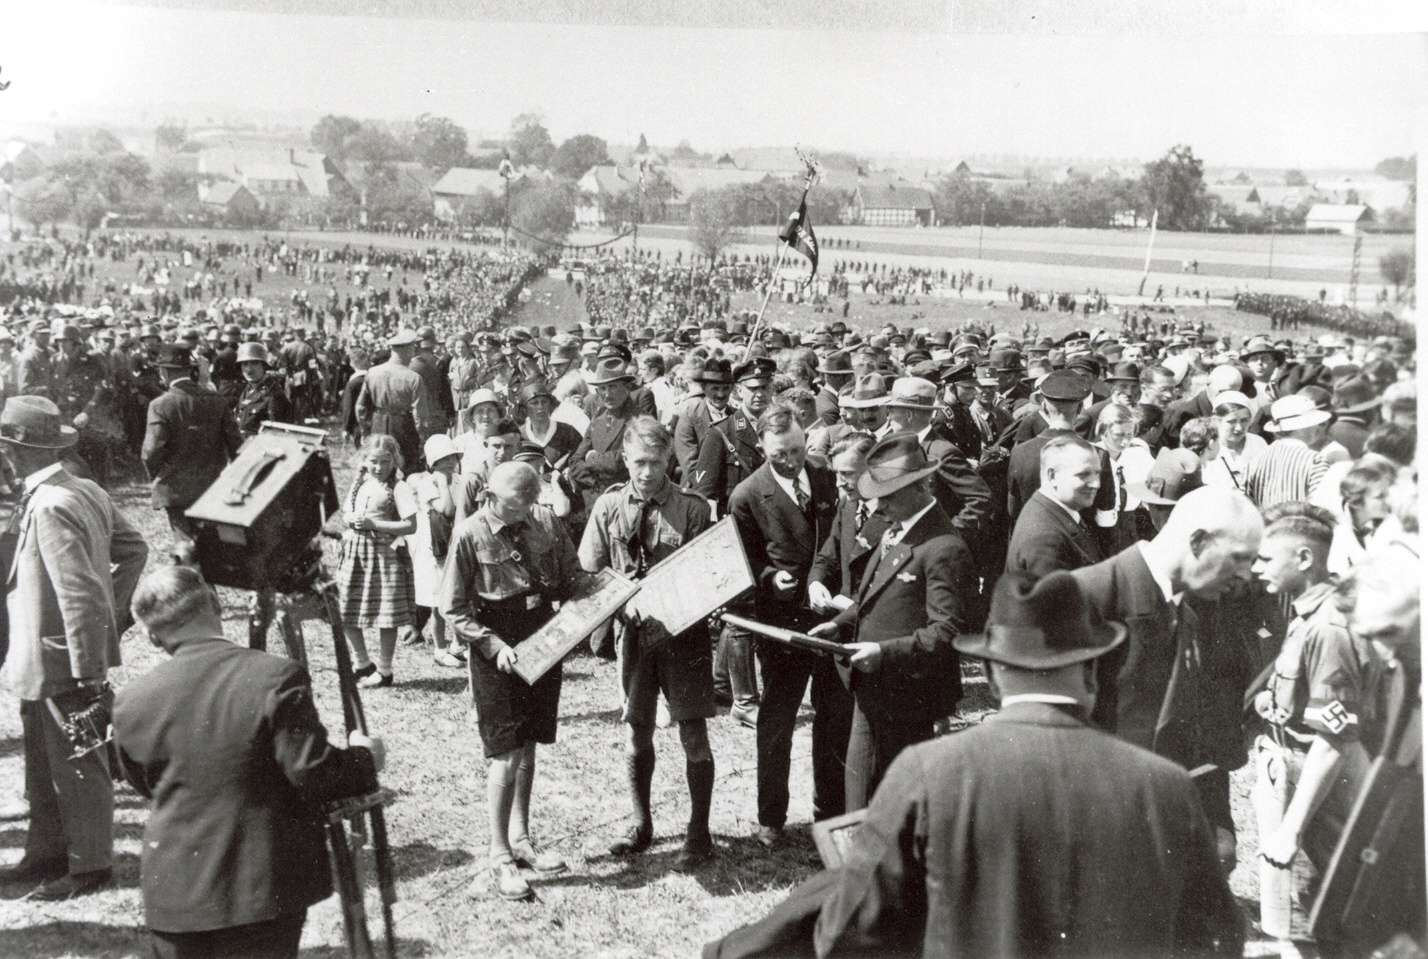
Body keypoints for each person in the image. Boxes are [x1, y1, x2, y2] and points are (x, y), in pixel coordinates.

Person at [704, 571, 1243, 959]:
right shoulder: (1166, 786)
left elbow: (847, 933)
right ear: (1094, 671)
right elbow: (1216, 939)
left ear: (989, 675)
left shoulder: (929, 771)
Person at [113, 566, 384, 959]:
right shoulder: (275, 676)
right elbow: (313, 772)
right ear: (216, 604)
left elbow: (145, 783)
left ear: (153, 636)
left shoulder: (130, 700)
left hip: (174, 897)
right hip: (258, 892)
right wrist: (365, 758)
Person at [0, 396, 148, 900]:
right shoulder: (82, 488)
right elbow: (134, 549)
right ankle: (45, 854)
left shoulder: (50, 504)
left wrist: (88, 663)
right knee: (45, 764)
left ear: (17, 450)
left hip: (60, 658)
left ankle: (89, 867)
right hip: (43, 656)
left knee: (77, 762)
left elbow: (79, 592)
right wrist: (114, 616)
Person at [1073, 485, 1264, 863]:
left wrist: (1218, 822)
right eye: (1239, 558)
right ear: (1198, 542)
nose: (1246, 574)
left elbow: (1207, 725)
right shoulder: (1088, 596)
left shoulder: (1207, 605)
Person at [441, 461, 587, 901]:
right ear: (489, 496)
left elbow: (572, 573)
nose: (525, 513)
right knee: (505, 752)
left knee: (528, 744)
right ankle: (499, 854)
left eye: (529, 504)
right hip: (497, 644)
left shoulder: (543, 520)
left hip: (541, 635)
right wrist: (492, 645)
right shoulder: (469, 534)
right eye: (515, 506)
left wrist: (602, 594)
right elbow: (453, 608)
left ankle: (521, 840)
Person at [808, 431, 976, 809]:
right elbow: (876, 597)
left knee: (894, 808)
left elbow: (946, 631)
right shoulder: (897, 530)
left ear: (918, 488)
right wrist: (841, 623)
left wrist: (883, 653)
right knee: (860, 798)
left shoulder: (943, 547)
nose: (879, 506)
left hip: (907, 701)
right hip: (872, 692)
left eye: (887, 496)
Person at [578, 417, 717, 872]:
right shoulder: (609, 507)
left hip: (683, 638)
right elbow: (590, 571)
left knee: (693, 733)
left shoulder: (693, 509)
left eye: (656, 463)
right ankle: (641, 824)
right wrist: (621, 605)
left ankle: (698, 834)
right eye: (638, 462)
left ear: (668, 460)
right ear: (624, 459)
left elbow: (710, 575)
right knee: (636, 730)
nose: (647, 472)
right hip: (635, 639)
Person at [1248, 502, 1372, 954]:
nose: (1255, 568)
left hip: (1316, 785)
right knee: (1289, 918)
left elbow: (1334, 737)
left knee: (1318, 912)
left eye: (1265, 558)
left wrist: (1291, 829)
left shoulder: (1329, 625)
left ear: (1304, 559)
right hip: (1291, 768)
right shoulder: (1307, 611)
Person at [727, 405, 850, 845]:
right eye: (779, 454)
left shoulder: (826, 476)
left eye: (797, 450)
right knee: (777, 721)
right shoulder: (746, 496)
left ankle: (829, 811)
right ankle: (771, 817)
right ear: (763, 448)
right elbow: (743, 561)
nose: (791, 460)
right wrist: (768, 578)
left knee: (833, 716)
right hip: (782, 624)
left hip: (830, 617)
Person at [141, 343, 241, 563]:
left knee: (186, 549)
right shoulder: (217, 400)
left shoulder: (160, 404)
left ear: (164, 372)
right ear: (190, 370)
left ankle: (194, 583)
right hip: (212, 487)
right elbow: (236, 446)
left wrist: (158, 476)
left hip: (176, 489)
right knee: (208, 547)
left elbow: (150, 452)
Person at [336, 434, 418, 689]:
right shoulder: (360, 481)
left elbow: (410, 525)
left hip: (385, 555)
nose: (379, 467)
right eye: (374, 461)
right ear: (365, 459)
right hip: (355, 552)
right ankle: (362, 663)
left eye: (385, 462)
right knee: (345, 608)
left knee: (387, 614)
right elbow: (346, 511)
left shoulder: (398, 487)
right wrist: (350, 519)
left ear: (394, 461)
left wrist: (375, 524)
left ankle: (384, 670)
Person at [1006, 434, 1106, 578]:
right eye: (1083, 474)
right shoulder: (1046, 539)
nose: (1096, 483)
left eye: (1097, 473)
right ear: (1052, 476)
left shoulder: (1050, 511)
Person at [408, 434, 464, 668]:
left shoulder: (460, 480)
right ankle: (440, 649)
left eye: (452, 457)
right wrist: (442, 483)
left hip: (455, 544)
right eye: (442, 460)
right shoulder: (427, 484)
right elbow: (447, 508)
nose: (449, 463)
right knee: (438, 601)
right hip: (434, 549)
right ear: (433, 463)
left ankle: (458, 645)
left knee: (459, 596)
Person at [356, 329, 429, 474]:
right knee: (406, 467)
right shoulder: (413, 378)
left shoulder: (373, 372)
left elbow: (360, 407)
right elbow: (420, 415)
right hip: (403, 425)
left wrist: (365, 431)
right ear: (408, 351)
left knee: (379, 464)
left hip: (377, 423)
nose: (414, 352)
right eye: (413, 348)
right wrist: (422, 439)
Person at [232, 341, 294, 437]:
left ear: (264, 366)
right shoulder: (249, 388)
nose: (249, 369)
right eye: (245, 364)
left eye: (255, 363)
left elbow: (277, 434)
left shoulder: (273, 395)